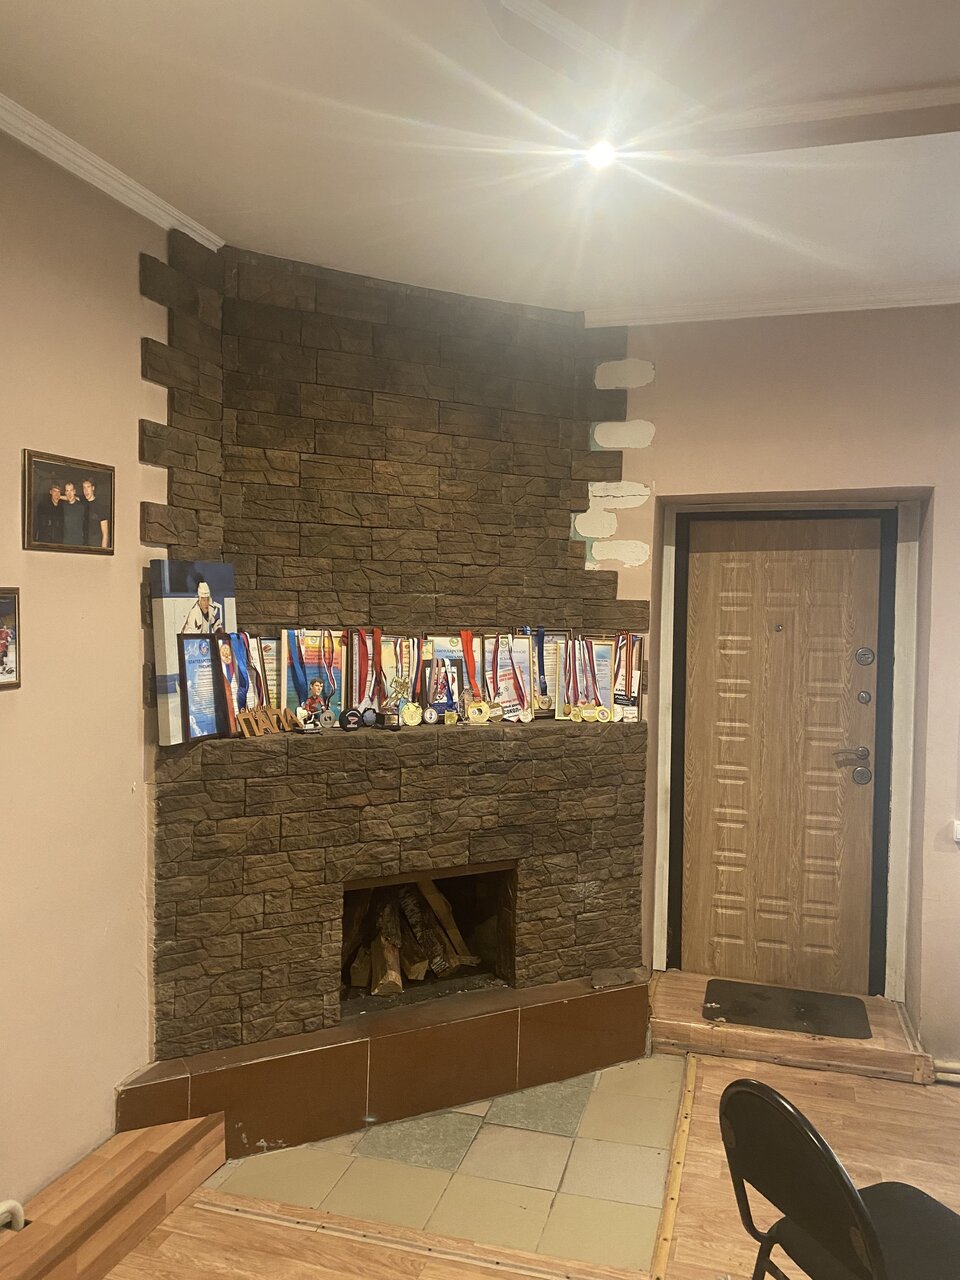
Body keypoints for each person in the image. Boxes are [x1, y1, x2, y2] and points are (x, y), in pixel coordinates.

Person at [81, 477, 110, 549]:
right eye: (84, 487)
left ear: (93, 488)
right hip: (83, 545)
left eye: (88, 487)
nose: (86, 490)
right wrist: (58, 496)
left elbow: (105, 534)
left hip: (95, 546)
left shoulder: (101, 507)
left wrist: (103, 552)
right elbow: (71, 497)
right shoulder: (82, 503)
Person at [61, 480, 85, 546]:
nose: (69, 494)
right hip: (65, 542)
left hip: (78, 543)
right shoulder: (63, 506)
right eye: (67, 491)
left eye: (71, 490)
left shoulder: (82, 506)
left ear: (74, 491)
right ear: (65, 493)